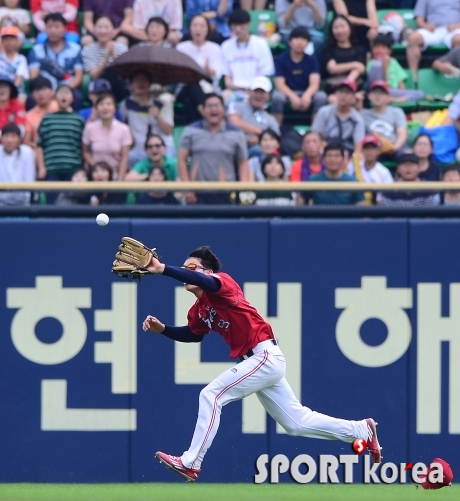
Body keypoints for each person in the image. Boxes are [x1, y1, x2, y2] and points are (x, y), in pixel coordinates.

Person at [140, 245, 381, 482]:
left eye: (192, 267)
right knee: (296, 423)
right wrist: (163, 330)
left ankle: (191, 462)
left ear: (209, 272)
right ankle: (361, 430)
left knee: (211, 395)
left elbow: (209, 283)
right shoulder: (199, 309)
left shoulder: (222, 284)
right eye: (186, 268)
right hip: (259, 362)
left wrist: (162, 269)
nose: (187, 271)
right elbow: (193, 334)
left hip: (263, 355)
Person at [178, 93, 249, 205]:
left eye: (217, 105)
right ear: (203, 109)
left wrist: (244, 188)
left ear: (223, 109)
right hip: (197, 192)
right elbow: (182, 160)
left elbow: (243, 162)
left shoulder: (236, 133)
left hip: (226, 192)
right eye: (209, 106)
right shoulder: (190, 130)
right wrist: (187, 189)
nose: (213, 109)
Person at [37, 84, 85, 205]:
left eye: (67, 93)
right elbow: (39, 145)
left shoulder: (78, 119)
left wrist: (82, 169)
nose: (64, 95)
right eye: (60, 93)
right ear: (55, 97)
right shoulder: (46, 119)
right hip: (52, 168)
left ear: (72, 98)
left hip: (73, 169)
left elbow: (83, 146)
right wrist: (41, 167)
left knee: (71, 206)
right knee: (52, 206)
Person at [272, 26, 327, 125]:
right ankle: (276, 131)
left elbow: (315, 84)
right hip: (288, 93)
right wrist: (292, 96)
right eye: (296, 38)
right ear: (290, 42)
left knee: (321, 97)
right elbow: (280, 84)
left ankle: (316, 131)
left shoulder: (312, 60)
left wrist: (307, 95)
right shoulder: (281, 59)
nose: (300, 42)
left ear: (307, 43)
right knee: (277, 97)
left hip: (306, 92)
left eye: (303, 39)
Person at [28, 13, 83, 110]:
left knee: (77, 97)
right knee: (31, 99)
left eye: (57, 27)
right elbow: (34, 76)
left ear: (65, 29)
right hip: (44, 89)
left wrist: (63, 90)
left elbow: (78, 76)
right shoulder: (36, 50)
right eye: (49, 27)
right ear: (45, 29)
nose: (53, 30)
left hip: (67, 87)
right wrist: (47, 91)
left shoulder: (75, 49)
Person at [176, 14, 224, 124]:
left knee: (189, 101)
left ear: (208, 29)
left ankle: (197, 127)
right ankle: (205, 114)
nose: (198, 29)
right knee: (192, 84)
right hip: (185, 86)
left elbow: (216, 74)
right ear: (189, 28)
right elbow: (178, 73)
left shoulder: (215, 48)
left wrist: (207, 69)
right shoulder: (181, 47)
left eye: (202, 26)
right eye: (195, 26)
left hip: (208, 87)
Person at [120, 70, 174, 166]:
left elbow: (168, 131)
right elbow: (121, 125)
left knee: (170, 160)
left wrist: (158, 116)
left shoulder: (162, 104)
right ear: (131, 85)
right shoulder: (126, 104)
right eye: (137, 80)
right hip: (139, 149)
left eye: (144, 80)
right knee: (126, 159)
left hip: (162, 147)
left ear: (150, 84)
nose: (141, 83)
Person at [221, 9, 274, 104]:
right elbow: (227, 79)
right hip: (234, 90)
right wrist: (238, 88)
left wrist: (252, 90)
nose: (237, 29)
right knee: (224, 97)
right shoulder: (226, 46)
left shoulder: (261, 44)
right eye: (234, 25)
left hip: (256, 91)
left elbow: (264, 75)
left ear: (249, 24)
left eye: (241, 25)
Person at [407, 0, 460, 84]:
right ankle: (413, 78)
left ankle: (456, 79)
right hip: (432, 30)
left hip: (454, 29)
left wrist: (457, 26)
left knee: (459, 39)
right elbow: (419, 19)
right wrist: (425, 26)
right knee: (413, 38)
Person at [82, 93, 132, 181]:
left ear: (115, 108)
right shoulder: (90, 128)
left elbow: (124, 158)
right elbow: (85, 152)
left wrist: (120, 181)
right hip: (96, 175)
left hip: (115, 174)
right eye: (101, 104)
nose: (105, 107)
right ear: (96, 108)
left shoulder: (124, 129)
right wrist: (96, 167)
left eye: (108, 104)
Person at [228, 76, 280, 157]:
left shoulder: (270, 119)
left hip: (258, 153)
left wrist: (260, 141)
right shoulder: (236, 106)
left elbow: (276, 140)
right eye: (256, 91)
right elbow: (234, 122)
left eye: (262, 92)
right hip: (234, 148)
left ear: (269, 96)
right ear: (249, 91)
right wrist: (262, 135)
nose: (259, 95)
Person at [311, 79, 365, 156]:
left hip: (347, 154)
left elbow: (358, 147)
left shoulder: (357, 119)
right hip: (325, 152)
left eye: (347, 92)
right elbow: (315, 136)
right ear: (336, 93)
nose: (343, 95)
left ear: (353, 96)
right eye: (341, 91)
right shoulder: (324, 111)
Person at [367, 34, 424, 103]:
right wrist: (385, 67)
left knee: (420, 94)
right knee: (377, 65)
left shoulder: (393, 62)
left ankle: (394, 100)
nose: (380, 50)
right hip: (376, 90)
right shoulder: (372, 63)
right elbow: (381, 85)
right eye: (377, 47)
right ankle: (386, 99)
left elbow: (400, 82)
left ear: (389, 51)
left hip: (390, 91)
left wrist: (402, 93)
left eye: (383, 47)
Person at [360, 80, 407, 159]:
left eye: (381, 93)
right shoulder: (363, 114)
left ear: (388, 98)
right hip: (373, 149)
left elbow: (402, 133)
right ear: (369, 96)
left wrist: (394, 148)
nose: (377, 96)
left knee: (408, 156)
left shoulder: (396, 112)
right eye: (375, 93)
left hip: (393, 145)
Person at [81, 15, 128, 90]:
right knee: (107, 74)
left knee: (112, 74)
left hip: (118, 86)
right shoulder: (87, 50)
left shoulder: (121, 48)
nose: (103, 31)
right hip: (98, 87)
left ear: (113, 30)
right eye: (99, 27)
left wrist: (113, 55)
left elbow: (124, 73)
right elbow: (94, 76)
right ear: (94, 29)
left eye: (106, 27)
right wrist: (106, 58)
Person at [323, 15, 366, 95]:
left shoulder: (359, 50)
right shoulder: (329, 50)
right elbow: (332, 69)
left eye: (342, 26)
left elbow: (360, 69)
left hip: (354, 88)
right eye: (336, 27)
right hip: (334, 89)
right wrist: (354, 64)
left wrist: (345, 86)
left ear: (350, 28)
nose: (340, 31)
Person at [347, 134, 394, 205]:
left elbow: (390, 194)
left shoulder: (383, 171)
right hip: (356, 206)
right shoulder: (353, 167)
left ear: (378, 151)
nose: (369, 151)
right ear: (362, 151)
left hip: (377, 207)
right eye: (366, 148)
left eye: (372, 148)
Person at [0, 123, 35, 207]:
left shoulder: (27, 152)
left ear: (19, 139)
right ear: (2, 138)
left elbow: (29, 178)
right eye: (6, 136)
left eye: (13, 136)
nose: (9, 140)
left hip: (23, 204)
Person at [23, 76, 58, 148]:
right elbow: (26, 141)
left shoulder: (61, 108)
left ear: (52, 91)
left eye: (44, 89)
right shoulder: (29, 115)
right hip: (39, 149)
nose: (40, 94)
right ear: (32, 95)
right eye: (37, 90)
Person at [0, 25, 29, 100]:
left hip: (16, 92)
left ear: (17, 41)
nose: (9, 42)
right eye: (6, 39)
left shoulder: (21, 59)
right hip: (1, 90)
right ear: (2, 41)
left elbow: (19, 79)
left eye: (12, 39)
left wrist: (10, 93)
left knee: (22, 98)